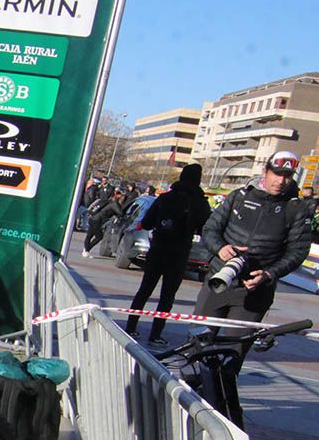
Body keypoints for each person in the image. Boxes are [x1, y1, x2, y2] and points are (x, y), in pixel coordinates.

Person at [193, 151, 311, 377]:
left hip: (255, 291)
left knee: (231, 357)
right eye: (277, 174)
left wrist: (268, 274)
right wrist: (220, 248)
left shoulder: (296, 208)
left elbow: (298, 251)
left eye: (287, 176)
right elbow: (209, 229)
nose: (281, 181)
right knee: (197, 345)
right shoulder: (239, 196)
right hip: (219, 282)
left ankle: (218, 405)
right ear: (265, 172)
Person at [124, 163, 211, 343]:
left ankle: (131, 327)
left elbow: (147, 222)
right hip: (179, 252)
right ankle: (155, 334)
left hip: (158, 248)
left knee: (145, 290)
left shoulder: (165, 198)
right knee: (167, 296)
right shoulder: (200, 203)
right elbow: (206, 229)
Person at [82, 186, 123, 257]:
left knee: (89, 235)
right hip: (97, 221)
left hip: (93, 218)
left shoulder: (109, 200)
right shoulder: (114, 203)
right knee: (99, 237)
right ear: (118, 196)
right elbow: (121, 213)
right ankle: (87, 249)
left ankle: (85, 251)